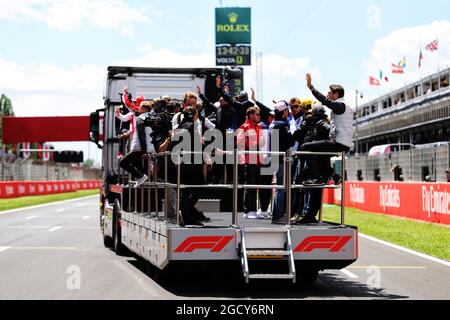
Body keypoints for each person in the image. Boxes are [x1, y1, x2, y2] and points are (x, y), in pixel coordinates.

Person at [301, 73, 353, 186]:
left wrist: (311, 87)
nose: (327, 95)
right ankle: (335, 176)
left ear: (336, 94)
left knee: (305, 147)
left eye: (329, 93)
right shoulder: (344, 106)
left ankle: (316, 178)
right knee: (319, 157)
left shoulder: (340, 105)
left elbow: (324, 100)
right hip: (343, 143)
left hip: (339, 143)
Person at [296, 105, 331, 224]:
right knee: (300, 181)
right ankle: (308, 214)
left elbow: (331, 130)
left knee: (316, 190)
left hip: (320, 163)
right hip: (315, 163)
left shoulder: (321, 123)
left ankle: (310, 215)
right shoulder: (313, 124)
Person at [237, 106, 265, 219]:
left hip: (257, 159)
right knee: (249, 185)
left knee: (255, 185)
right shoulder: (244, 127)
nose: (259, 116)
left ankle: (253, 209)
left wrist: (260, 142)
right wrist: (256, 143)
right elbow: (239, 144)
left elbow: (262, 142)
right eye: (257, 114)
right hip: (248, 160)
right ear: (251, 115)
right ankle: (248, 210)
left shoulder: (258, 127)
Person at [269, 101, 295, 224]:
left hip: (274, 158)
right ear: (283, 111)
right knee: (281, 188)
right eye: (287, 111)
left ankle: (276, 215)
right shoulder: (282, 124)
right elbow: (290, 141)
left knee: (279, 187)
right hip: (280, 159)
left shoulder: (272, 123)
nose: (288, 113)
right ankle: (278, 216)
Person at [119, 101, 155, 187]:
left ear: (142, 108)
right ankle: (143, 181)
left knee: (123, 163)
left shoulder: (141, 118)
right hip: (150, 147)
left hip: (139, 148)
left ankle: (140, 177)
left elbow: (141, 134)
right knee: (141, 168)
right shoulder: (153, 118)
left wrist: (143, 149)